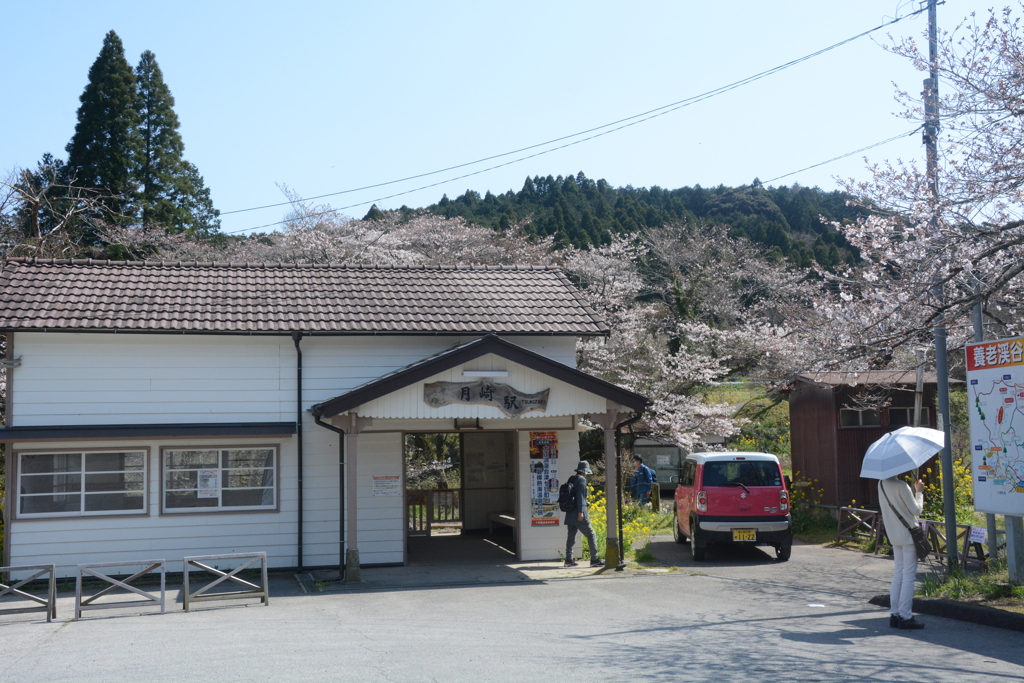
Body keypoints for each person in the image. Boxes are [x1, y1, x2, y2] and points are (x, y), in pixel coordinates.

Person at [878, 475, 926, 630]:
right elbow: (917, 511)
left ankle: (894, 614)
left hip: (893, 535)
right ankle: (905, 616)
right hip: (908, 535)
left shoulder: (881, 483)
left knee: (898, 573)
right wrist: (919, 492)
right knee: (909, 575)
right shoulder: (902, 486)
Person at [564, 461, 603, 568]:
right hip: (578, 513)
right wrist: (581, 512)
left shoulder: (572, 478)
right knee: (591, 535)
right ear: (585, 471)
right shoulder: (582, 480)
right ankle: (595, 559)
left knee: (571, 537)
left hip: (570, 512)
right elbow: (580, 497)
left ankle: (568, 560)